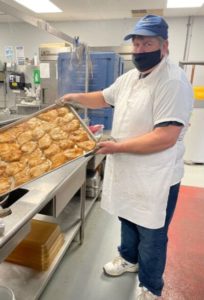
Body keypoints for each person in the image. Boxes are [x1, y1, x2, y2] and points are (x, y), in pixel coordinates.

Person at [58, 14, 194, 300]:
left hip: (156, 174)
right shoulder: (131, 77)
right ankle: (128, 260)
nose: (141, 50)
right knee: (128, 218)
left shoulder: (173, 81)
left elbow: (166, 136)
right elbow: (105, 97)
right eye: (137, 44)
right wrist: (75, 97)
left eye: (148, 43)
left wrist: (117, 147)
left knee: (152, 233)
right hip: (129, 170)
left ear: (164, 46)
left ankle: (150, 287)